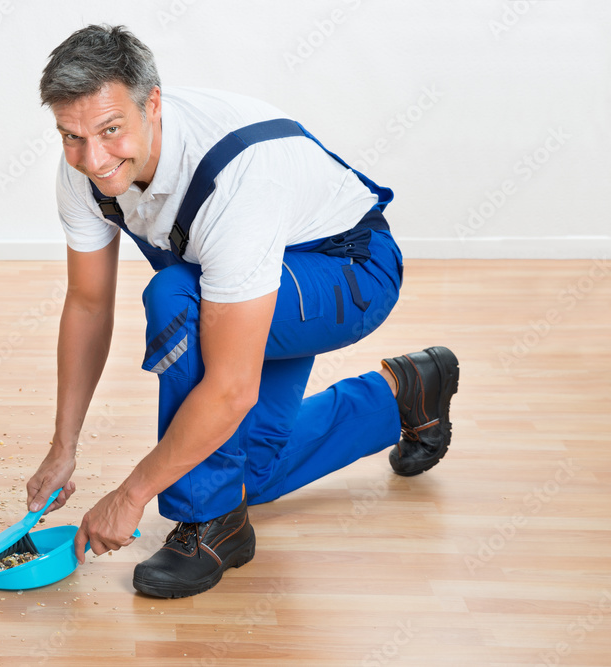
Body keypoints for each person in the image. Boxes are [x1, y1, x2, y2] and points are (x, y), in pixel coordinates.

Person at [25, 24, 459, 599]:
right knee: (249, 471)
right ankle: (404, 393)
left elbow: (231, 389)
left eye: (109, 131)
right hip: (253, 278)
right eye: (71, 136)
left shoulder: (235, 178)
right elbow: (87, 303)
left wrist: (131, 496)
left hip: (347, 274)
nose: (94, 158)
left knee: (175, 299)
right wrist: (64, 447)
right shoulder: (86, 166)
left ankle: (210, 525)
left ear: (151, 104)